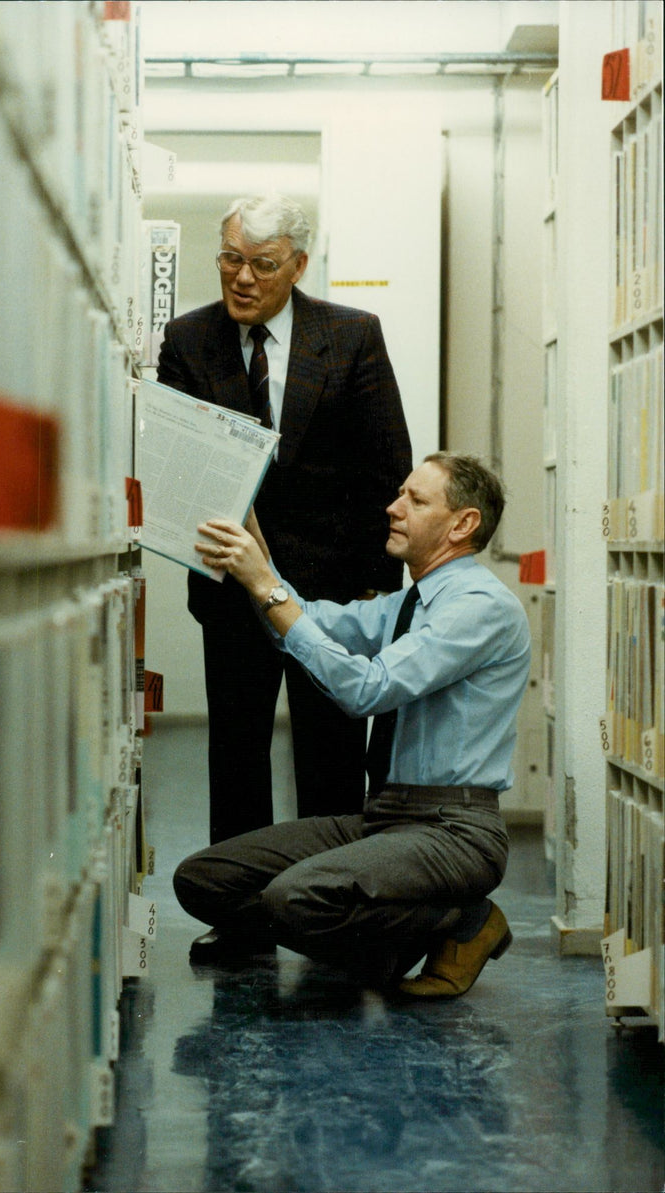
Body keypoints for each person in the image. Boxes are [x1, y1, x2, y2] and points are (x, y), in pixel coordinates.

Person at [173, 452, 532, 999]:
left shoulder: (480, 607)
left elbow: (365, 690)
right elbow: (310, 621)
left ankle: (461, 924)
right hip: (385, 814)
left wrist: (268, 586)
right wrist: (262, 571)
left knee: (292, 898)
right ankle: (388, 942)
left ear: (462, 524)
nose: (393, 508)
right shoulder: (407, 603)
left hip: (453, 828)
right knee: (204, 879)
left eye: (415, 499)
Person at [157, 194, 411, 856]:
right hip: (229, 588)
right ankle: (239, 912)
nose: (243, 278)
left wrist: (375, 587)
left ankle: (327, 899)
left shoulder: (353, 335)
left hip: (334, 594)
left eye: (262, 265)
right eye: (231, 259)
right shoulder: (188, 339)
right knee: (235, 751)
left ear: (299, 264)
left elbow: (387, 467)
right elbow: (173, 458)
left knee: (330, 753)